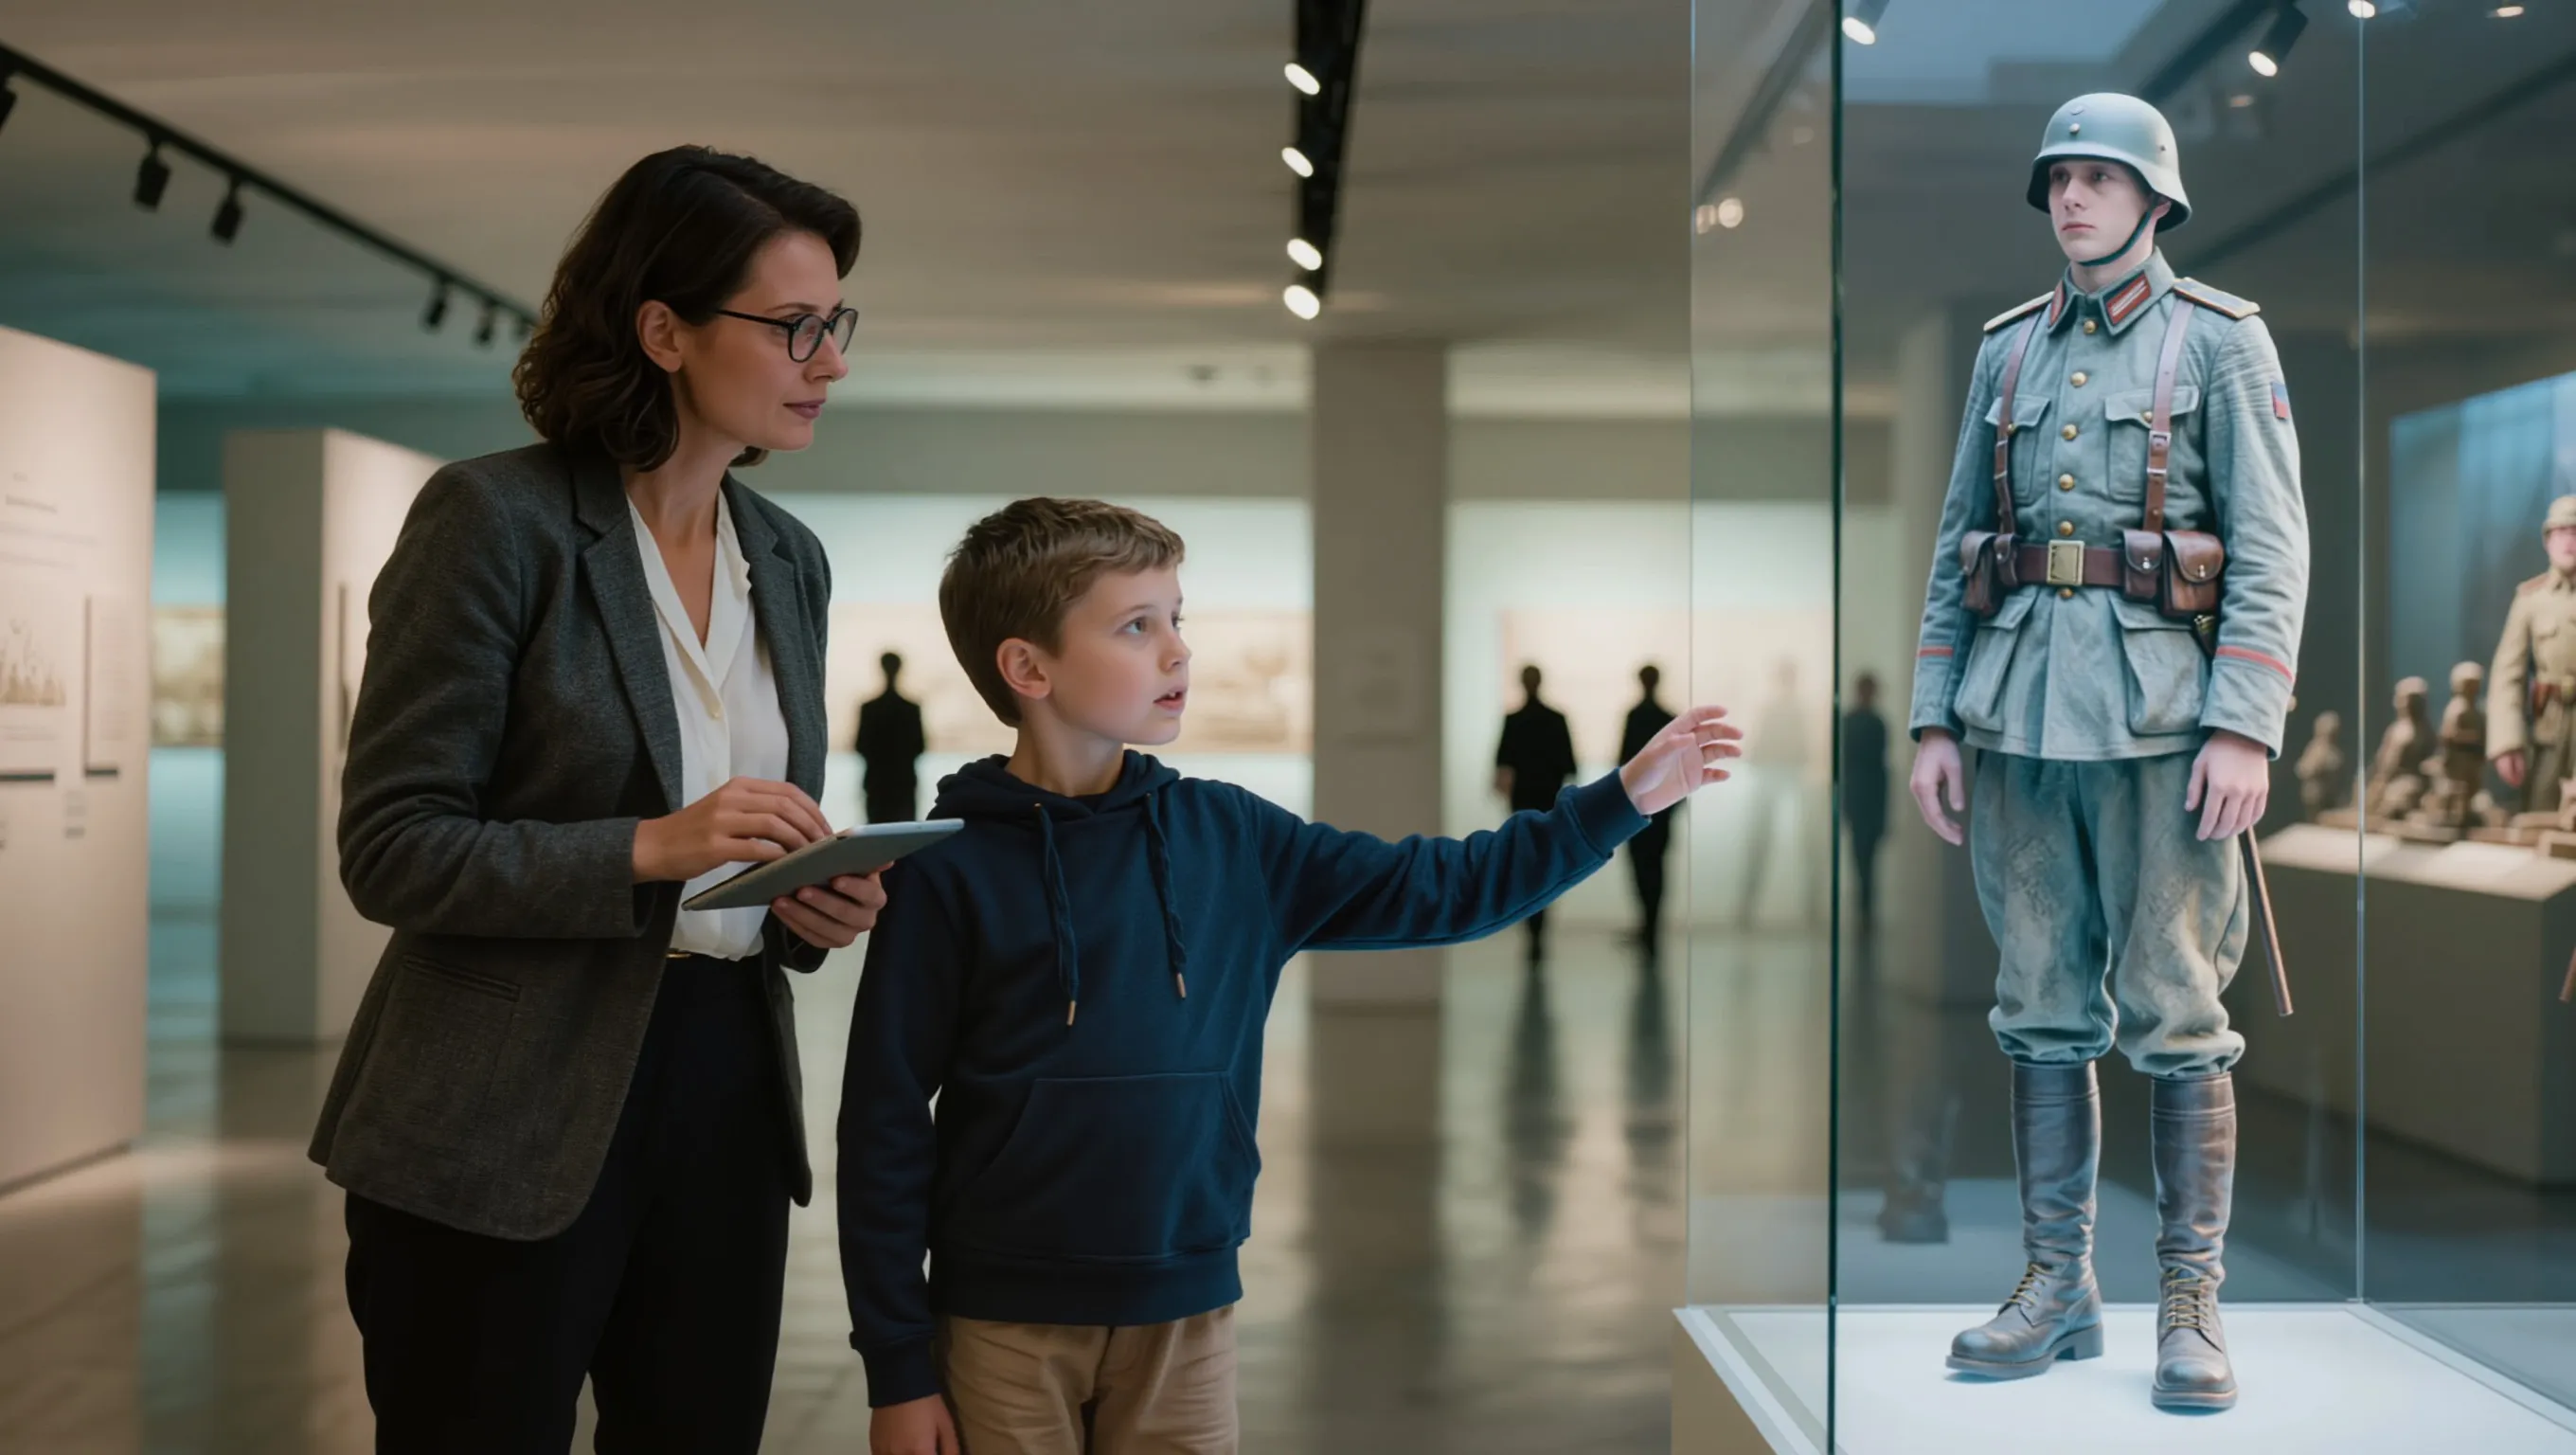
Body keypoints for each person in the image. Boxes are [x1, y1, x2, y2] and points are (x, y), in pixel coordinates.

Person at [842, 498, 1744, 1455]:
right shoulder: (943, 870)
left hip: (1186, 1315)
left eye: (1176, 617)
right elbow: (884, 1121)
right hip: (1001, 1323)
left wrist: (1619, 802)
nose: (1179, 650)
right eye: (1137, 626)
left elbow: (1445, 888)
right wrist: (898, 1369)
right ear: (1029, 668)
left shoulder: (1233, 838)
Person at [311, 147, 888, 1454]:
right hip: (498, 1106)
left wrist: (809, 900)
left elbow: (741, 851)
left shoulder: (788, 558)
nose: (830, 362)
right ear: (663, 330)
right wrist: (649, 846)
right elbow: (394, 847)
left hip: (726, 1085)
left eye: (836, 323)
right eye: (795, 326)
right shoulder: (494, 520)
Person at [1905, 95, 2307, 1413]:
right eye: (2059, 179)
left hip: (2165, 728)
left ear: (2154, 197)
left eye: (2100, 177)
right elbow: (1960, 541)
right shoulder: (2008, 351)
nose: (2073, 198)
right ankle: (2055, 1285)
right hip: (2019, 716)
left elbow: (2271, 548)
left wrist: (2244, 722)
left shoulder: (2221, 341)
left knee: (2177, 1009)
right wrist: (1934, 715)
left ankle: (2189, 1302)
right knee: (2036, 1004)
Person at [2486, 495, 2576, 815]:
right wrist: (2506, 741)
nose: (2569, 541)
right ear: (2547, 540)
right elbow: (2507, 674)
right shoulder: (2531, 600)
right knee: (2540, 812)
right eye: (2560, 532)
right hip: (2549, 731)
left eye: (2575, 532)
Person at [1494, 664, 1580, 961]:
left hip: (1523, 804)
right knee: (1545, 865)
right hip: (1547, 802)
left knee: (1527, 865)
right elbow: (1569, 767)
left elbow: (1501, 768)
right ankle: (1538, 932)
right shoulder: (1555, 720)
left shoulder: (1515, 720)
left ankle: (1534, 933)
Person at [1620, 664, 1679, 950]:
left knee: (1642, 866)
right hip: (1661, 806)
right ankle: (1651, 926)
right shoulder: (1668, 719)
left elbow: (1625, 765)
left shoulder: (1635, 717)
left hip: (1637, 806)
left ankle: (1649, 926)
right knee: (1656, 866)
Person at [1841, 672, 1890, 935]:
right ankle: (1864, 914)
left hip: (1866, 801)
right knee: (1863, 862)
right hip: (1862, 800)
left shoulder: (1866, 723)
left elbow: (1879, 770)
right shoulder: (1864, 723)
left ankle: (1865, 914)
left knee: (1866, 863)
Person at [859, 651, 928, 823]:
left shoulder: (870, 709)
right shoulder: (910, 709)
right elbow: (920, 746)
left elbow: (860, 746)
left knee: (876, 832)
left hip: (877, 783)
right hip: (904, 782)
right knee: (905, 831)